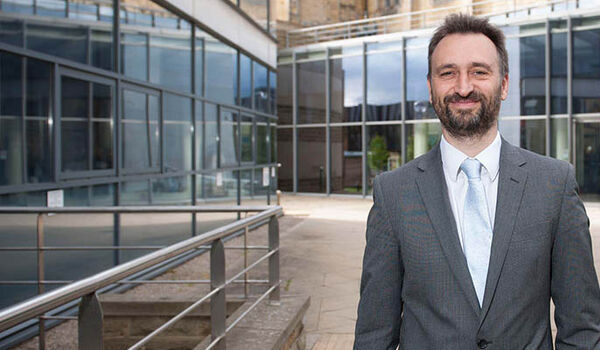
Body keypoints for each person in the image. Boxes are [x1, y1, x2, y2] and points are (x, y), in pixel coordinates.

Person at [354, 13, 600, 349]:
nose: (464, 87)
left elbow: (583, 328)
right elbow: (374, 334)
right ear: (430, 88)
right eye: (448, 73)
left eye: (479, 72)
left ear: (504, 85)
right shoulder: (392, 193)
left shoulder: (555, 185)